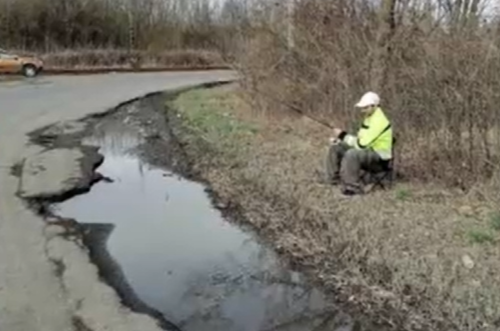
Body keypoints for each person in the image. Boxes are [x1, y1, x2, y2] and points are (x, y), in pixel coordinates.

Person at [324, 91, 393, 196]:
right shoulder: (369, 118)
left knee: (352, 154)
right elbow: (361, 139)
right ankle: (333, 179)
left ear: (373, 106)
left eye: (365, 107)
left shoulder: (379, 121)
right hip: (369, 151)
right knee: (336, 147)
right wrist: (341, 140)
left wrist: (343, 135)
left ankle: (352, 187)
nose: (362, 110)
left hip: (380, 159)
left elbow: (361, 145)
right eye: (362, 108)